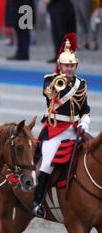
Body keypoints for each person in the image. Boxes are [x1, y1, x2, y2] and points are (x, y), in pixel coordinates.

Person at [32, 33, 91, 218]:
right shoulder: (50, 80)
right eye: (66, 65)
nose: (69, 69)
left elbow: (85, 109)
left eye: (72, 66)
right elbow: (48, 94)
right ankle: (37, 202)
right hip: (55, 131)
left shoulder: (82, 84)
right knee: (47, 163)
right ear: (60, 65)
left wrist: (85, 123)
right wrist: (60, 83)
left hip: (75, 130)